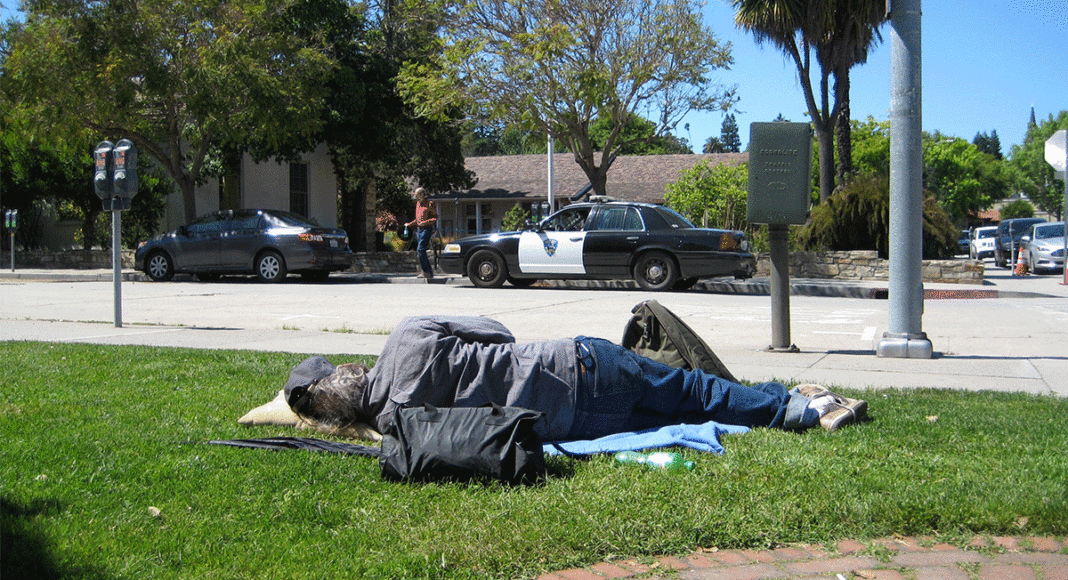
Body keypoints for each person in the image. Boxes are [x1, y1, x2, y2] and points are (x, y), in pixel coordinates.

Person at [284, 316, 868, 443]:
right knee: (692, 391)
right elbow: (497, 331)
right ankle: (800, 408)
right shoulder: (410, 337)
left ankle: (789, 402)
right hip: (576, 364)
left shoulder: (392, 426)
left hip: (574, 423)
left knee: (683, 412)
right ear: (344, 372)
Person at [405, 187, 437, 279]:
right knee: (420, 250)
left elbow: (435, 218)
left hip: (427, 229)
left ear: (422, 194)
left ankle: (427, 272)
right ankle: (427, 272)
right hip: (419, 229)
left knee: (421, 249)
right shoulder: (418, 204)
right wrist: (409, 224)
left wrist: (426, 222)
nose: (415, 197)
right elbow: (417, 220)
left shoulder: (430, 204)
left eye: (417, 195)